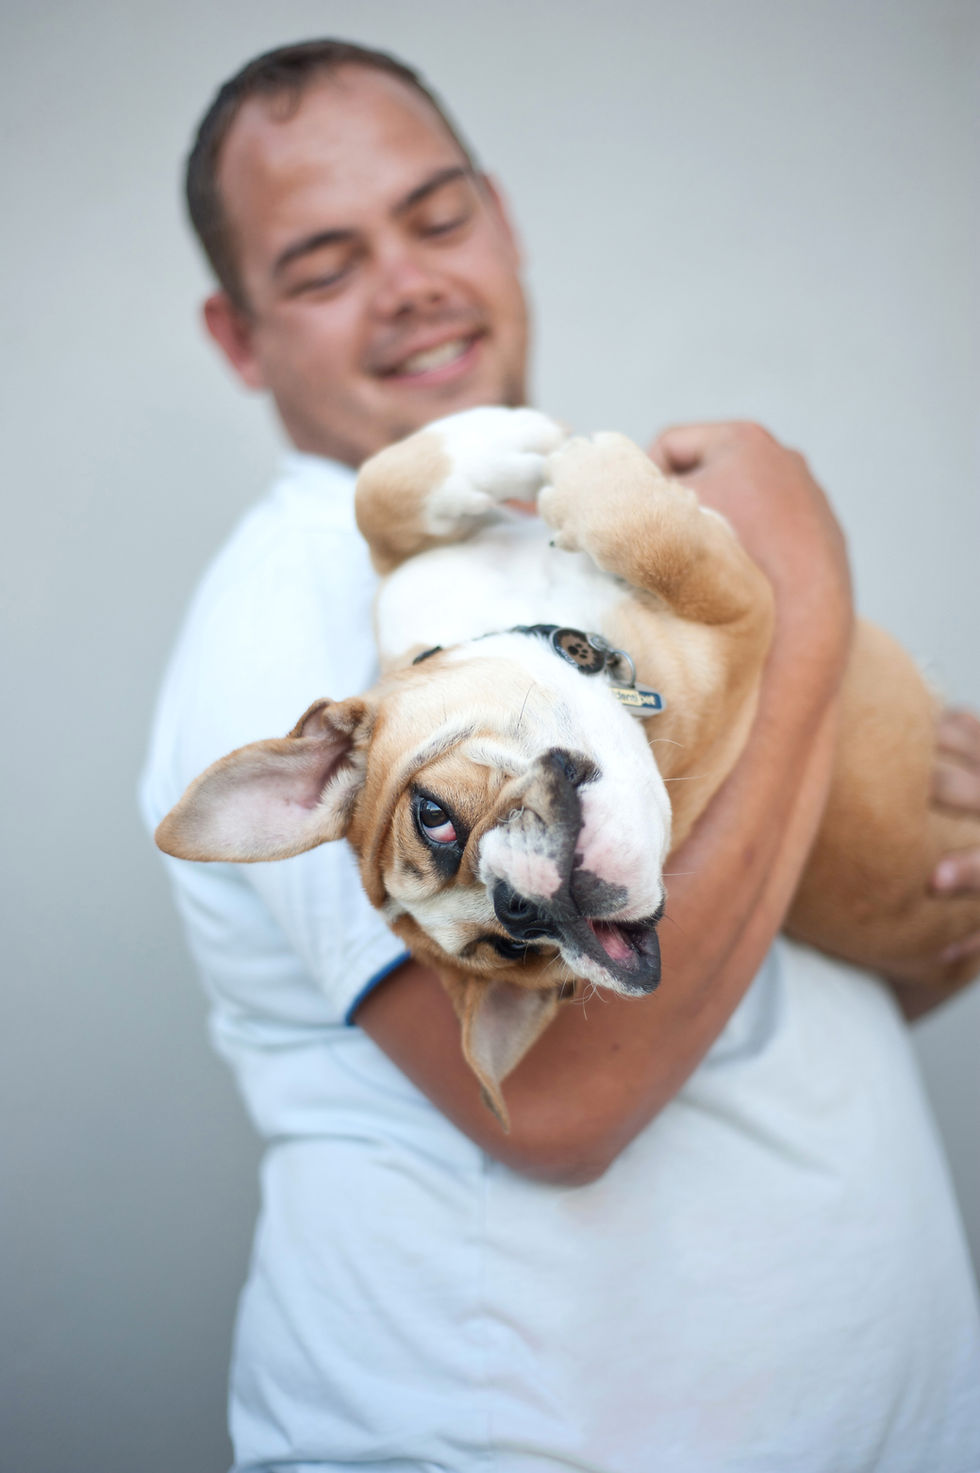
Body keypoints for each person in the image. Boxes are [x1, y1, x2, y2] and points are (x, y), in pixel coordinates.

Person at [141, 39, 980, 1473]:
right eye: (326, 263)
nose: (408, 281)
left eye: (438, 215)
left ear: (505, 218)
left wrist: (936, 903)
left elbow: (711, 988)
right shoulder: (303, 603)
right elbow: (559, 1102)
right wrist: (807, 599)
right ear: (238, 335)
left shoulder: (556, 538)